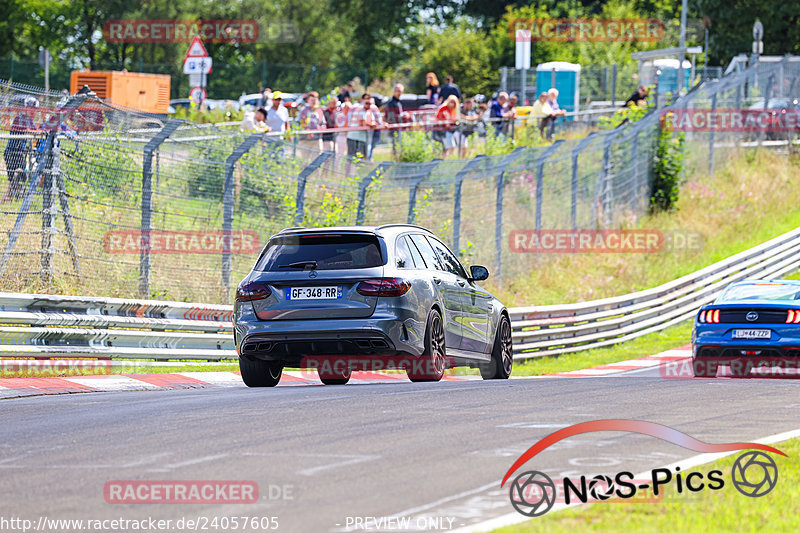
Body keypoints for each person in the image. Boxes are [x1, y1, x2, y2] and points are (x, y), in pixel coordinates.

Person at [2, 96, 38, 203]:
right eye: (31, 108)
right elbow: (28, 131)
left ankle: (13, 198)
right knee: (12, 180)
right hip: (12, 153)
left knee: (21, 178)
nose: (33, 111)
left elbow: (36, 130)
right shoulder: (20, 118)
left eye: (35, 109)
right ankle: (6, 200)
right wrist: (39, 132)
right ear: (26, 107)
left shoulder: (30, 120)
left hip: (20, 154)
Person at [346, 93, 378, 161]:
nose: (369, 105)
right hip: (353, 138)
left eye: (370, 104)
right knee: (351, 160)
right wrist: (371, 124)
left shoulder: (369, 112)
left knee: (360, 160)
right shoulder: (359, 109)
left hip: (361, 138)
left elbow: (373, 122)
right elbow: (363, 122)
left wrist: (373, 123)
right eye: (367, 103)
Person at [384, 83, 406, 159]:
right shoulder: (391, 103)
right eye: (397, 91)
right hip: (394, 130)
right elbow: (391, 117)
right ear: (394, 91)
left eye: (400, 91)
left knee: (399, 148)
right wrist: (403, 116)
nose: (399, 93)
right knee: (396, 148)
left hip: (398, 129)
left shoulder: (398, 102)